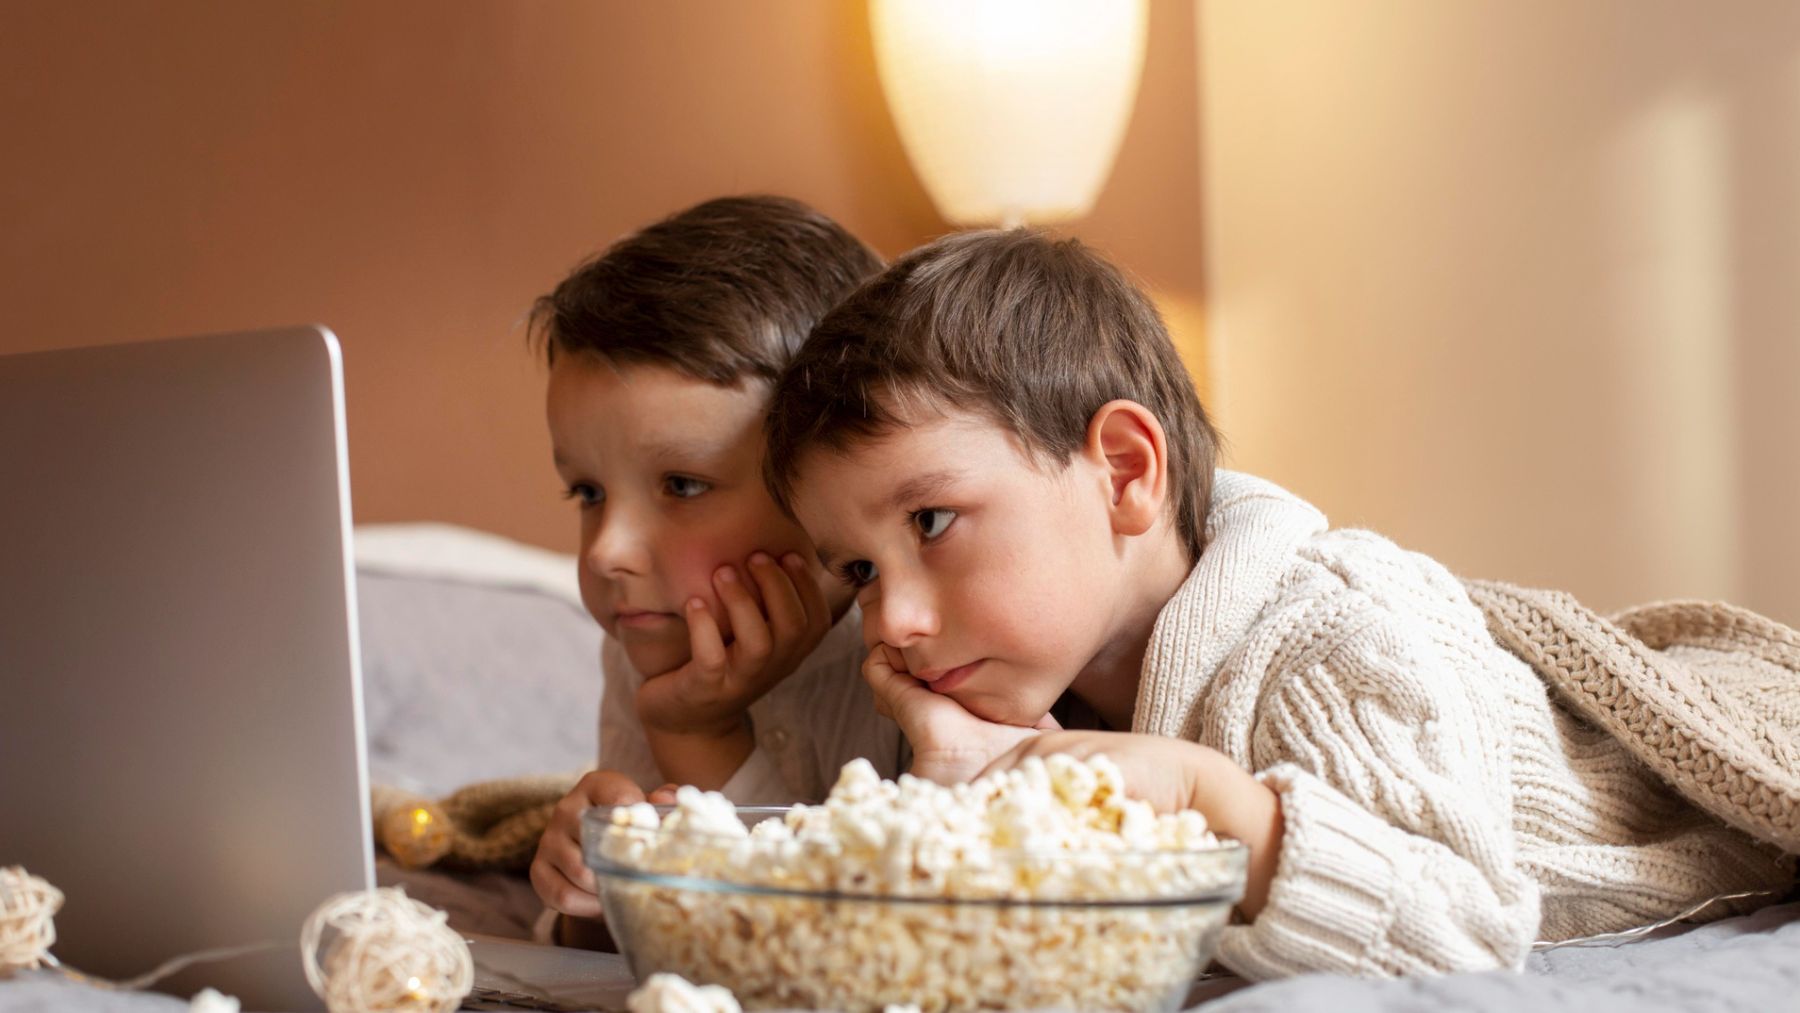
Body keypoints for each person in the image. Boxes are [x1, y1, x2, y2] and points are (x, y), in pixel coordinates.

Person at [759, 228, 1793, 979]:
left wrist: (1210, 799)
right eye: (856, 570)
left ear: (1124, 473)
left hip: (1634, 795)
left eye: (932, 521)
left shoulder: (1330, 642)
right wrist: (959, 768)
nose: (890, 619)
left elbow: (1467, 934)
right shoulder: (1015, 687)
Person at [525, 196, 902, 943]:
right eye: (588, 493)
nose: (606, 550)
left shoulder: (911, 648)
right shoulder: (650, 638)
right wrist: (597, 894)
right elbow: (662, 950)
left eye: (683, 486)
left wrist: (695, 732)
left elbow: (842, 949)